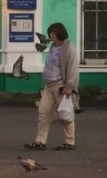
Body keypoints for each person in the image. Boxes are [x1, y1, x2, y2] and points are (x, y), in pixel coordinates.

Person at [26, 22, 79, 151]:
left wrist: (69, 86)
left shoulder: (68, 48)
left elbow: (73, 68)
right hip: (48, 85)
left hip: (61, 85)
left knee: (65, 113)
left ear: (60, 33)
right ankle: (40, 141)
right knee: (43, 111)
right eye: (50, 33)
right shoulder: (52, 46)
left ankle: (69, 141)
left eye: (53, 33)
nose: (51, 36)